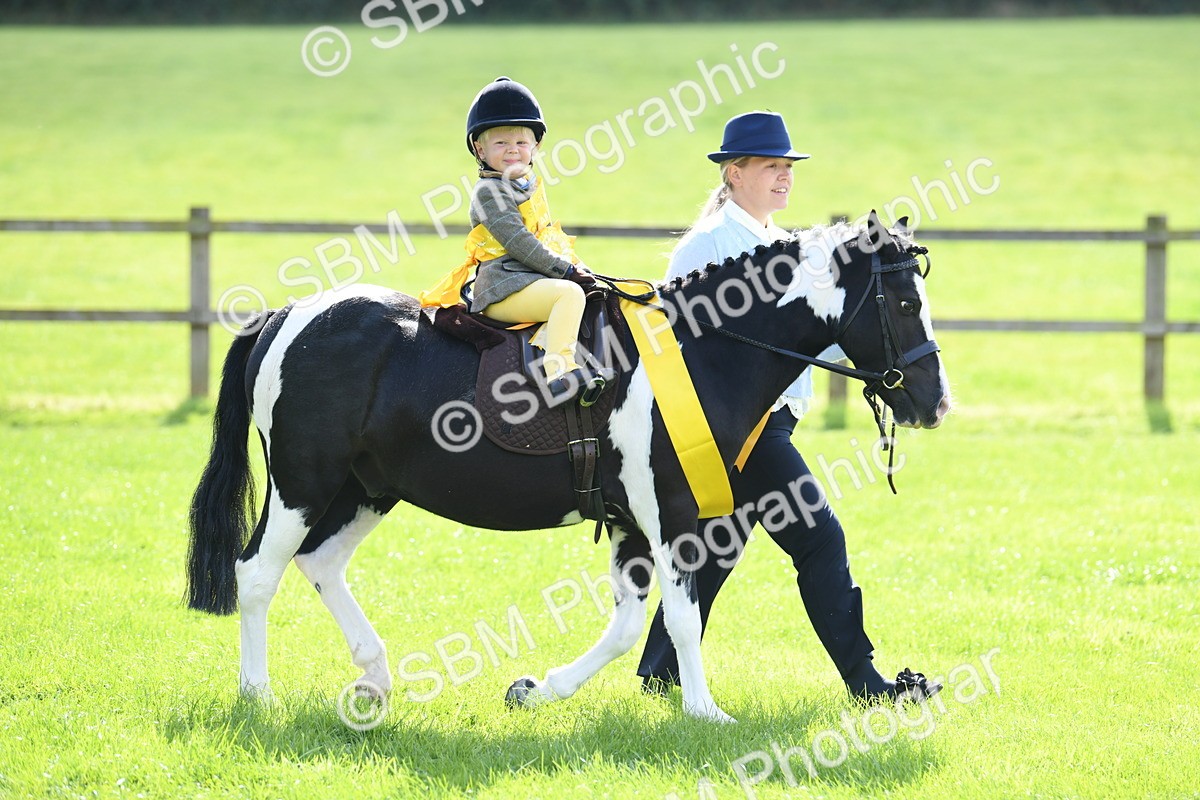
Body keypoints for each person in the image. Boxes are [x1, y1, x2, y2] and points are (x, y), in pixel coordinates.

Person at [635, 111, 940, 703]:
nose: (783, 177)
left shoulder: (785, 246)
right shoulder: (708, 246)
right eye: (771, 166)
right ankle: (868, 684)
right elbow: (671, 339)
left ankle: (659, 672)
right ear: (734, 173)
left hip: (771, 421)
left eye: (787, 167)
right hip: (741, 430)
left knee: (714, 549)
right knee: (820, 540)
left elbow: (825, 330)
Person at [419, 76, 599, 398]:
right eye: (501, 143)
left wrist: (582, 268)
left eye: (521, 143)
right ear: (480, 149)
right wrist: (566, 272)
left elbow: (547, 236)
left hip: (529, 281)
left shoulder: (527, 185)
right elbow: (520, 243)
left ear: (535, 147)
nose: (513, 150)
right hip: (504, 290)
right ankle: (560, 376)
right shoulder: (489, 192)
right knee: (568, 295)